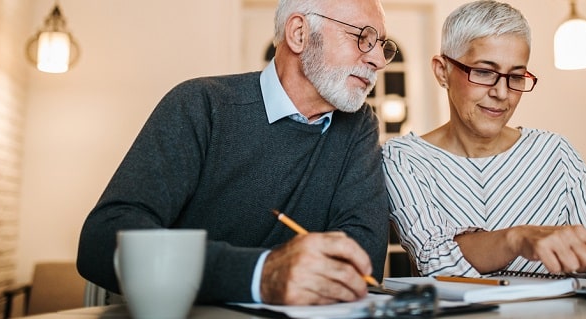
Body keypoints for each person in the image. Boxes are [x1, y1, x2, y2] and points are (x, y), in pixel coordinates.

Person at [77, 0, 398, 305]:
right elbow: (102, 242)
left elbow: (361, 263)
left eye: (381, 44)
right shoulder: (201, 105)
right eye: (362, 37)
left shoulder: (358, 126)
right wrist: (260, 275)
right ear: (299, 33)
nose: (379, 60)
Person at [382, 0, 586, 284]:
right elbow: (437, 262)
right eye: (484, 71)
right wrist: (517, 238)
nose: (502, 92)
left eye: (516, 76)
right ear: (442, 71)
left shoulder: (556, 153)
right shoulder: (403, 159)